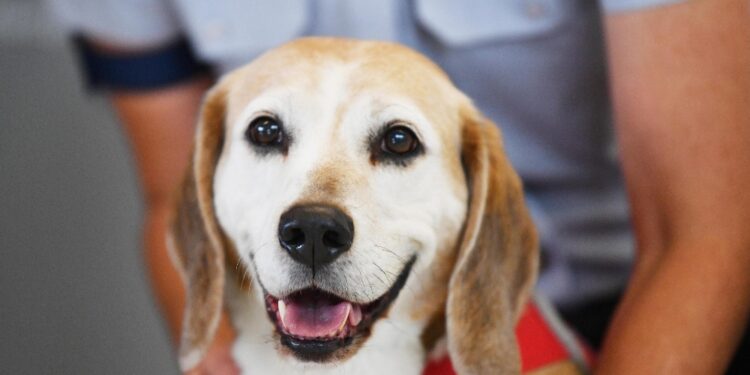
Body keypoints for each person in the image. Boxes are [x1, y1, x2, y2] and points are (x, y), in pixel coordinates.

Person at [50, 0, 750, 374]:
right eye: (268, 134)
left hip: (624, 318)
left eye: (397, 142)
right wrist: (214, 353)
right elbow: (168, 188)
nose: (318, 215)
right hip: (269, 335)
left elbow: (706, 229)